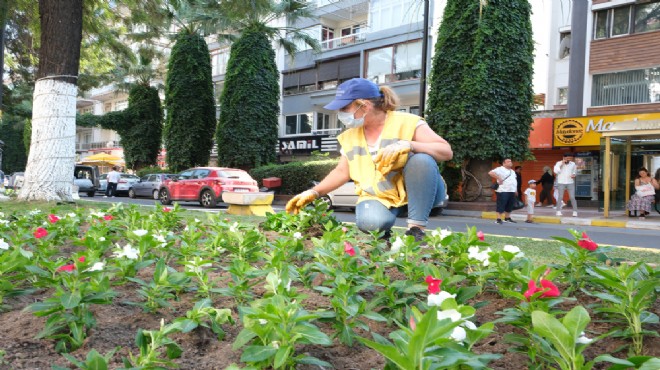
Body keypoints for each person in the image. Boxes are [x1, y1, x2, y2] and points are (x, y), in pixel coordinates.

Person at [285, 78, 453, 241]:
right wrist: (314, 192)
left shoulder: (406, 122)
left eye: (344, 108)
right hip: (381, 196)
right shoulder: (350, 136)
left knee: (421, 160)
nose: (340, 114)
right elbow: (342, 171)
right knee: (370, 222)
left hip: (421, 194)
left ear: (364, 105)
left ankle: (416, 231)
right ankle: (382, 235)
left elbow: (446, 151)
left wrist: (410, 145)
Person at [488, 158, 517, 224]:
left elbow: (514, 181)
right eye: (508, 161)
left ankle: (507, 218)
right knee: (501, 204)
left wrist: (516, 190)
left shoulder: (512, 171)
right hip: (503, 190)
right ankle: (498, 219)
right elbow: (490, 173)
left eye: (510, 161)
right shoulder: (500, 169)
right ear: (504, 163)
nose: (510, 162)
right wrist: (498, 178)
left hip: (511, 190)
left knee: (510, 205)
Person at [554, 153, 578, 217]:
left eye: (570, 158)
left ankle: (575, 211)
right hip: (561, 182)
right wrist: (562, 164)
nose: (569, 159)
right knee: (560, 197)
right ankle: (558, 211)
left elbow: (575, 171)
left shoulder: (573, 164)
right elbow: (556, 171)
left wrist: (574, 175)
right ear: (564, 157)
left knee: (572, 197)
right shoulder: (558, 163)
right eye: (568, 158)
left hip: (570, 182)